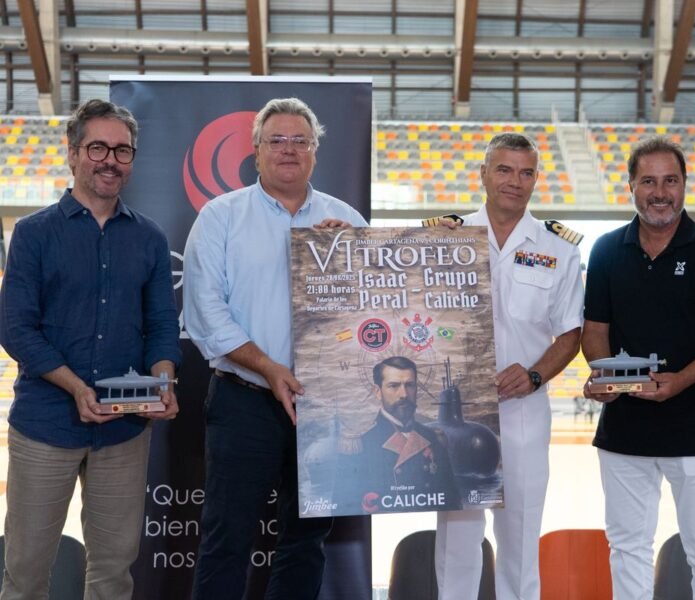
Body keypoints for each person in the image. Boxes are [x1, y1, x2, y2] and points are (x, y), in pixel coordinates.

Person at [183, 97, 368, 599]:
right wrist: (269, 368)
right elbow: (204, 313)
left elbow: (376, 315)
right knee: (227, 539)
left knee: (306, 540)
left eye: (300, 141)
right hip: (243, 398)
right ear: (256, 150)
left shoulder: (346, 220)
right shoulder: (221, 217)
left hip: (325, 403)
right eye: (277, 140)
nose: (289, 150)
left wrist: (357, 256)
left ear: (315, 151)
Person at [0, 99, 181, 599]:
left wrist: (163, 378)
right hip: (46, 426)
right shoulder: (35, 234)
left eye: (122, 150)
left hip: (124, 431)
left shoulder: (148, 237)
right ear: (74, 153)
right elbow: (16, 328)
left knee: (113, 571)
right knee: (26, 569)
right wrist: (76, 388)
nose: (110, 160)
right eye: (98, 147)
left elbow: (162, 323)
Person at [581, 136, 695, 600]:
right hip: (625, 429)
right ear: (631, 186)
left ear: (684, 185)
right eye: (649, 181)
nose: (661, 192)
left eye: (670, 181)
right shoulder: (605, 251)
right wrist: (603, 374)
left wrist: (682, 380)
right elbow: (595, 328)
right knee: (627, 547)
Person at [431, 132, 583, 600]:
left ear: (536, 179)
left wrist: (536, 374)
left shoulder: (559, 248)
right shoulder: (441, 237)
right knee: (457, 539)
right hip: (456, 410)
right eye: (504, 169)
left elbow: (571, 334)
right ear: (482, 173)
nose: (515, 181)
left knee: (518, 537)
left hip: (522, 411)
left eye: (526, 172)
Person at [340, 356, 460, 513]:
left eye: (410, 385)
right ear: (378, 392)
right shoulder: (361, 443)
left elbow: (452, 501)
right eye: (393, 386)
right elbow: (345, 506)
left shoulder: (433, 439)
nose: (404, 394)